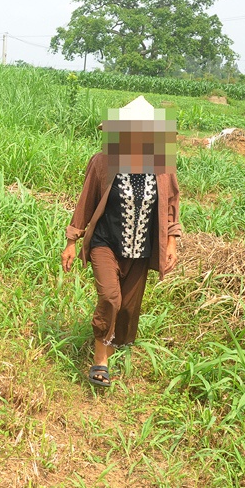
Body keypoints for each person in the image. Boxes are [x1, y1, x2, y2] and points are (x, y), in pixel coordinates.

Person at [60, 96, 182, 388]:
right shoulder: (103, 162)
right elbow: (86, 201)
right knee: (110, 298)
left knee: (127, 309)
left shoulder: (163, 167)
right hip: (106, 243)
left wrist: (172, 242)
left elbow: (172, 204)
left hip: (141, 250)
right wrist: (72, 239)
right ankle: (100, 362)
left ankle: (111, 345)